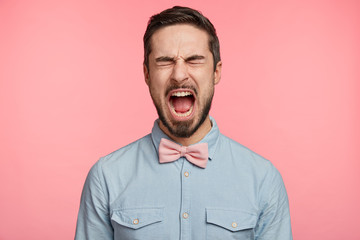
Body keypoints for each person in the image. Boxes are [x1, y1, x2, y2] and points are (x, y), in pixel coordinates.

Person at [75, 6, 292, 240]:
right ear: (147, 75)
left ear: (216, 72)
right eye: (165, 61)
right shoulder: (106, 177)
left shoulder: (263, 179)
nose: (179, 74)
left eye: (194, 60)